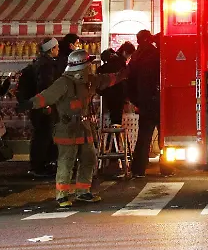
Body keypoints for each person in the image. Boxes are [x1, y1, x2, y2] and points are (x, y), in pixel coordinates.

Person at [17, 49, 127, 208]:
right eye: (88, 64)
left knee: (89, 159)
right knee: (66, 161)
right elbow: (46, 96)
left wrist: (123, 74)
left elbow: (106, 79)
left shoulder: (89, 81)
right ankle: (62, 195)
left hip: (84, 128)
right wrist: (29, 104)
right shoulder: (63, 83)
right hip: (67, 129)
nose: (90, 67)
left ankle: (83, 191)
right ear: (82, 65)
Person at [16, 37, 59, 177]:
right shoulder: (46, 65)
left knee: (41, 135)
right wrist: (46, 104)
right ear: (51, 49)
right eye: (56, 47)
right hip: (42, 106)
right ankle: (39, 166)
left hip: (36, 105)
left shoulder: (38, 62)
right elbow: (45, 86)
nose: (58, 50)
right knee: (44, 136)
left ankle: (39, 165)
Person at [127, 30, 161, 178]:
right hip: (158, 100)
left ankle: (138, 169)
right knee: (163, 135)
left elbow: (129, 81)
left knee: (143, 137)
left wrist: (137, 100)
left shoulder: (136, 57)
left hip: (144, 102)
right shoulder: (157, 54)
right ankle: (167, 168)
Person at [97, 48, 128, 126]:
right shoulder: (121, 64)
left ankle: (111, 131)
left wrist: (102, 93)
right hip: (120, 95)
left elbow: (98, 86)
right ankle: (116, 131)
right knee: (117, 118)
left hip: (108, 96)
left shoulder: (101, 69)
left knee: (111, 116)